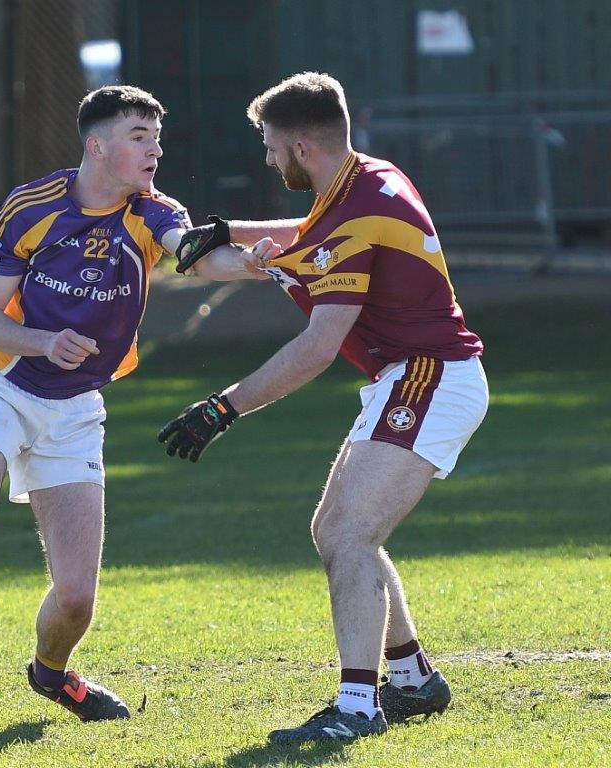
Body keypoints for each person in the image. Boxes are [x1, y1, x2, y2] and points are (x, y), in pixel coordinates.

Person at [0, 85, 260, 743]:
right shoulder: (33, 206)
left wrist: (253, 263)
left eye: (157, 136)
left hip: (74, 407)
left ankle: (51, 672)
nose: (155, 149)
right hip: (1, 383)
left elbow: (195, 253)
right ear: (98, 145)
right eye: (139, 136)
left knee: (75, 599)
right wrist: (42, 341)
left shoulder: (153, 212)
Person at [161, 72, 488, 744]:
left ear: (303, 145)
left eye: (270, 146)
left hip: (429, 377)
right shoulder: (367, 176)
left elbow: (317, 348)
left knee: (349, 536)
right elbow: (316, 230)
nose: (266, 158)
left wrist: (224, 408)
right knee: (334, 531)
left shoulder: (356, 209)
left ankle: (358, 708)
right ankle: (413, 679)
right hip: (415, 376)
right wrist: (231, 228)